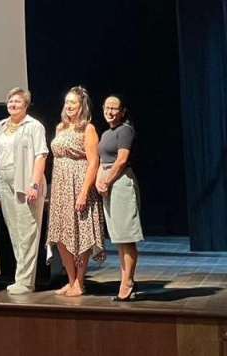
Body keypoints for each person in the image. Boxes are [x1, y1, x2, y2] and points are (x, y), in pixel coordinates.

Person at [48, 86, 105, 297]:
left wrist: (83, 193)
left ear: (82, 106)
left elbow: (93, 163)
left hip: (79, 183)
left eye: (73, 103)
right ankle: (70, 280)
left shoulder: (87, 129)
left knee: (80, 235)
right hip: (61, 185)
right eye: (67, 102)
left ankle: (80, 281)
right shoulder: (60, 128)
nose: (69, 106)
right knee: (62, 235)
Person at [0, 88, 49, 295]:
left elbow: (41, 155)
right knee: (15, 232)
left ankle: (26, 281)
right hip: (6, 183)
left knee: (28, 232)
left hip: (26, 182)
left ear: (25, 105)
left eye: (17, 101)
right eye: (10, 101)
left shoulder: (34, 126)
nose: (13, 104)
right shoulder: (1, 125)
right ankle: (22, 276)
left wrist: (34, 184)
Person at [96, 94, 144, 301]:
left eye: (114, 108)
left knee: (126, 235)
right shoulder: (107, 132)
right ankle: (124, 282)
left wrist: (106, 180)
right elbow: (102, 160)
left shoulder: (125, 130)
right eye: (107, 107)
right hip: (108, 183)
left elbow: (121, 159)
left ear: (122, 111)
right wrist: (99, 180)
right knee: (119, 237)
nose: (110, 111)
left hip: (121, 182)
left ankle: (128, 282)